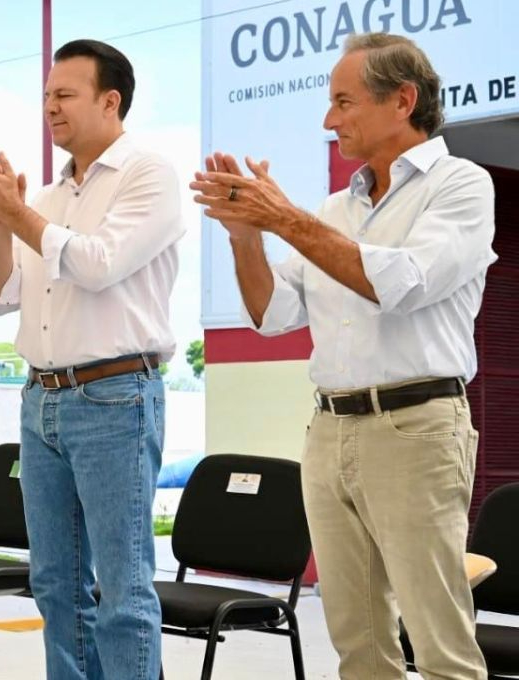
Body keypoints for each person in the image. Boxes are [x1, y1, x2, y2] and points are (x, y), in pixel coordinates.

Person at [191, 32, 492, 680]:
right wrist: (247, 238)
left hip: (415, 430)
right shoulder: (335, 209)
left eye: (344, 102)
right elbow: (273, 317)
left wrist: (286, 220)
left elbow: (400, 283)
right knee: (358, 645)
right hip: (329, 433)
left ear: (403, 100)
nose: (329, 120)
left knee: (440, 645)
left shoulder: (460, 186)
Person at [0, 39, 183, 680]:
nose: (50, 107)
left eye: (65, 95)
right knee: (55, 585)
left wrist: (16, 212)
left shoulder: (148, 174)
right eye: (47, 96)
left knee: (123, 590)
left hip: (114, 396)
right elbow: (1, 295)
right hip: (42, 400)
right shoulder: (50, 198)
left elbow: (97, 264)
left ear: (110, 102)